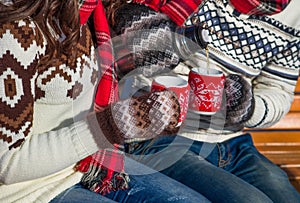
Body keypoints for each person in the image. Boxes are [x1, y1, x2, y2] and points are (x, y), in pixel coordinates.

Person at [0, 0, 213, 202]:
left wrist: (148, 114)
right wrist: (113, 124)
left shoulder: (91, 12)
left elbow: (98, 96)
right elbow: (6, 163)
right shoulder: (16, 29)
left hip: (89, 165)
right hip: (29, 191)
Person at [105, 0, 300, 202]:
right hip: (160, 138)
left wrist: (247, 108)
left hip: (230, 142)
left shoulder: (295, 11)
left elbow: (278, 88)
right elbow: (130, 54)